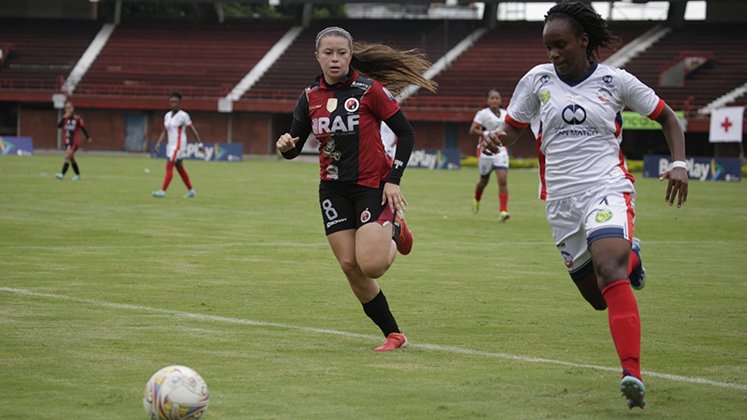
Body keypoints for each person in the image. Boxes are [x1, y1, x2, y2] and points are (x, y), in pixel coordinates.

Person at [483, 1, 688, 409]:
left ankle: (632, 373)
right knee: (599, 296)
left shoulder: (616, 81)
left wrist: (679, 164)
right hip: (560, 202)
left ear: (584, 40)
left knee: (608, 266)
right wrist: (496, 139)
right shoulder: (537, 80)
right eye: (548, 47)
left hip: (606, 188)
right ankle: (634, 260)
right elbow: (513, 128)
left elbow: (668, 118)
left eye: (560, 45)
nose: (553, 54)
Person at [276, 26, 437, 352]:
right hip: (333, 191)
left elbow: (405, 134)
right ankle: (394, 334)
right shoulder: (309, 97)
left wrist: (393, 179)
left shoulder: (370, 90)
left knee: (373, 265)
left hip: (372, 187)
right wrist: (286, 147)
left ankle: (395, 228)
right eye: (328, 53)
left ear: (350, 56)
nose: (335, 59)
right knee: (350, 265)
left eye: (341, 53)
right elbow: (294, 144)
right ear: (317, 56)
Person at [469, 89, 510, 221]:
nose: (494, 100)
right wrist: (486, 134)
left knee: (502, 180)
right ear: (487, 101)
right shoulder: (483, 114)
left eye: (497, 98)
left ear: (500, 100)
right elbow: (473, 130)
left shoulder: (505, 114)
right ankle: (477, 198)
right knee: (483, 181)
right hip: (485, 151)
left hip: (500, 151)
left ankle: (503, 211)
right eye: (492, 98)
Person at [152, 91, 201, 198]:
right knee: (179, 167)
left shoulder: (183, 116)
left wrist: (200, 145)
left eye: (176, 102)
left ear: (179, 103)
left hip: (179, 145)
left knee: (169, 165)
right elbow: (165, 131)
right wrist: (159, 143)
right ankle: (191, 191)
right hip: (171, 145)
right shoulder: (167, 116)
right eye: (171, 102)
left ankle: (162, 191)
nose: (173, 104)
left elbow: (193, 130)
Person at [55, 100, 92, 180]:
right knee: (72, 159)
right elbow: (58, 126)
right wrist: (62, 118)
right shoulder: (64, 118)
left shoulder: (77, 118)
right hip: (67, 142)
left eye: (69, 107)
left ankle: (62, 174)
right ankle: (78, 175)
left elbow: (83, 128)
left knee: (67, 156)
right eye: (66, 108)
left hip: (74, 142)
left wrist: (88, 137)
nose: (67, 109)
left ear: (72, 108)